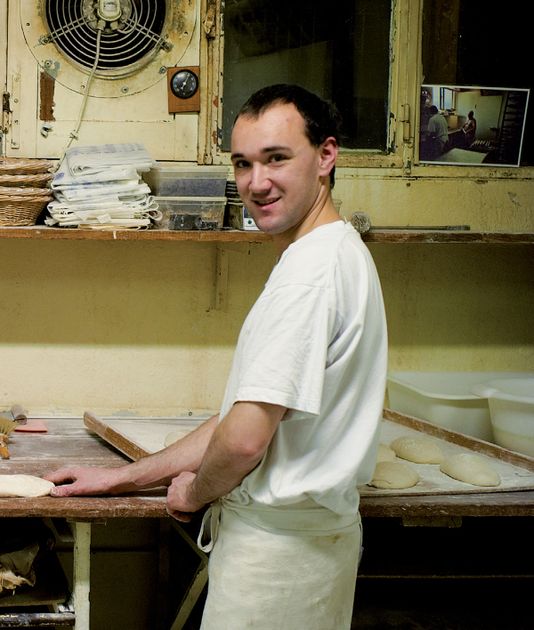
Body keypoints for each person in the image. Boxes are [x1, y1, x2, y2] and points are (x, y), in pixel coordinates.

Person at [45, 84, 388, 629]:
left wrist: (195, 489)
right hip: (306, 552)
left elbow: (245, 440)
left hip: (278, 561)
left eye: (277, 158)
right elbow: (239, 419)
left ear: (326, 155)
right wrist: (123, 478)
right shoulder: (338, 251)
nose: (257, 182)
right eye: (243, 163)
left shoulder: (308, 277)